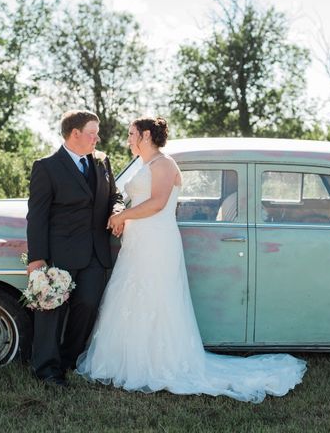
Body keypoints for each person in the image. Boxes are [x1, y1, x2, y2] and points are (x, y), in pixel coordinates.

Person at [76, 117, 306, 403]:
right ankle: (129, 360)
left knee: (157, 297)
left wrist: (122, 216)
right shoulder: (144, 165)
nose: (128, 138)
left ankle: (161, 363)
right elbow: (128, 197)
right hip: (139, 241)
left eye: (132, 133)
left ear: (146, 135)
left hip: (157, 241)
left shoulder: (164, 164)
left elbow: (158, 203)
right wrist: (122, 213)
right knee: (133, 297)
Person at [26, 109, 124, 387]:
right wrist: (37, 259)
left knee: (88, 305)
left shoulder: (102, 161)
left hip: (95, 252)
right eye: (92, 133)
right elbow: (37, 216)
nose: (98, 138)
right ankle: (45, 369)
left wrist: (117, 210)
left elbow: (114, 195)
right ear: (75, 134)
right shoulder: (46, 167)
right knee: (52, 311)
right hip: (60, 253)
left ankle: (68, 360)